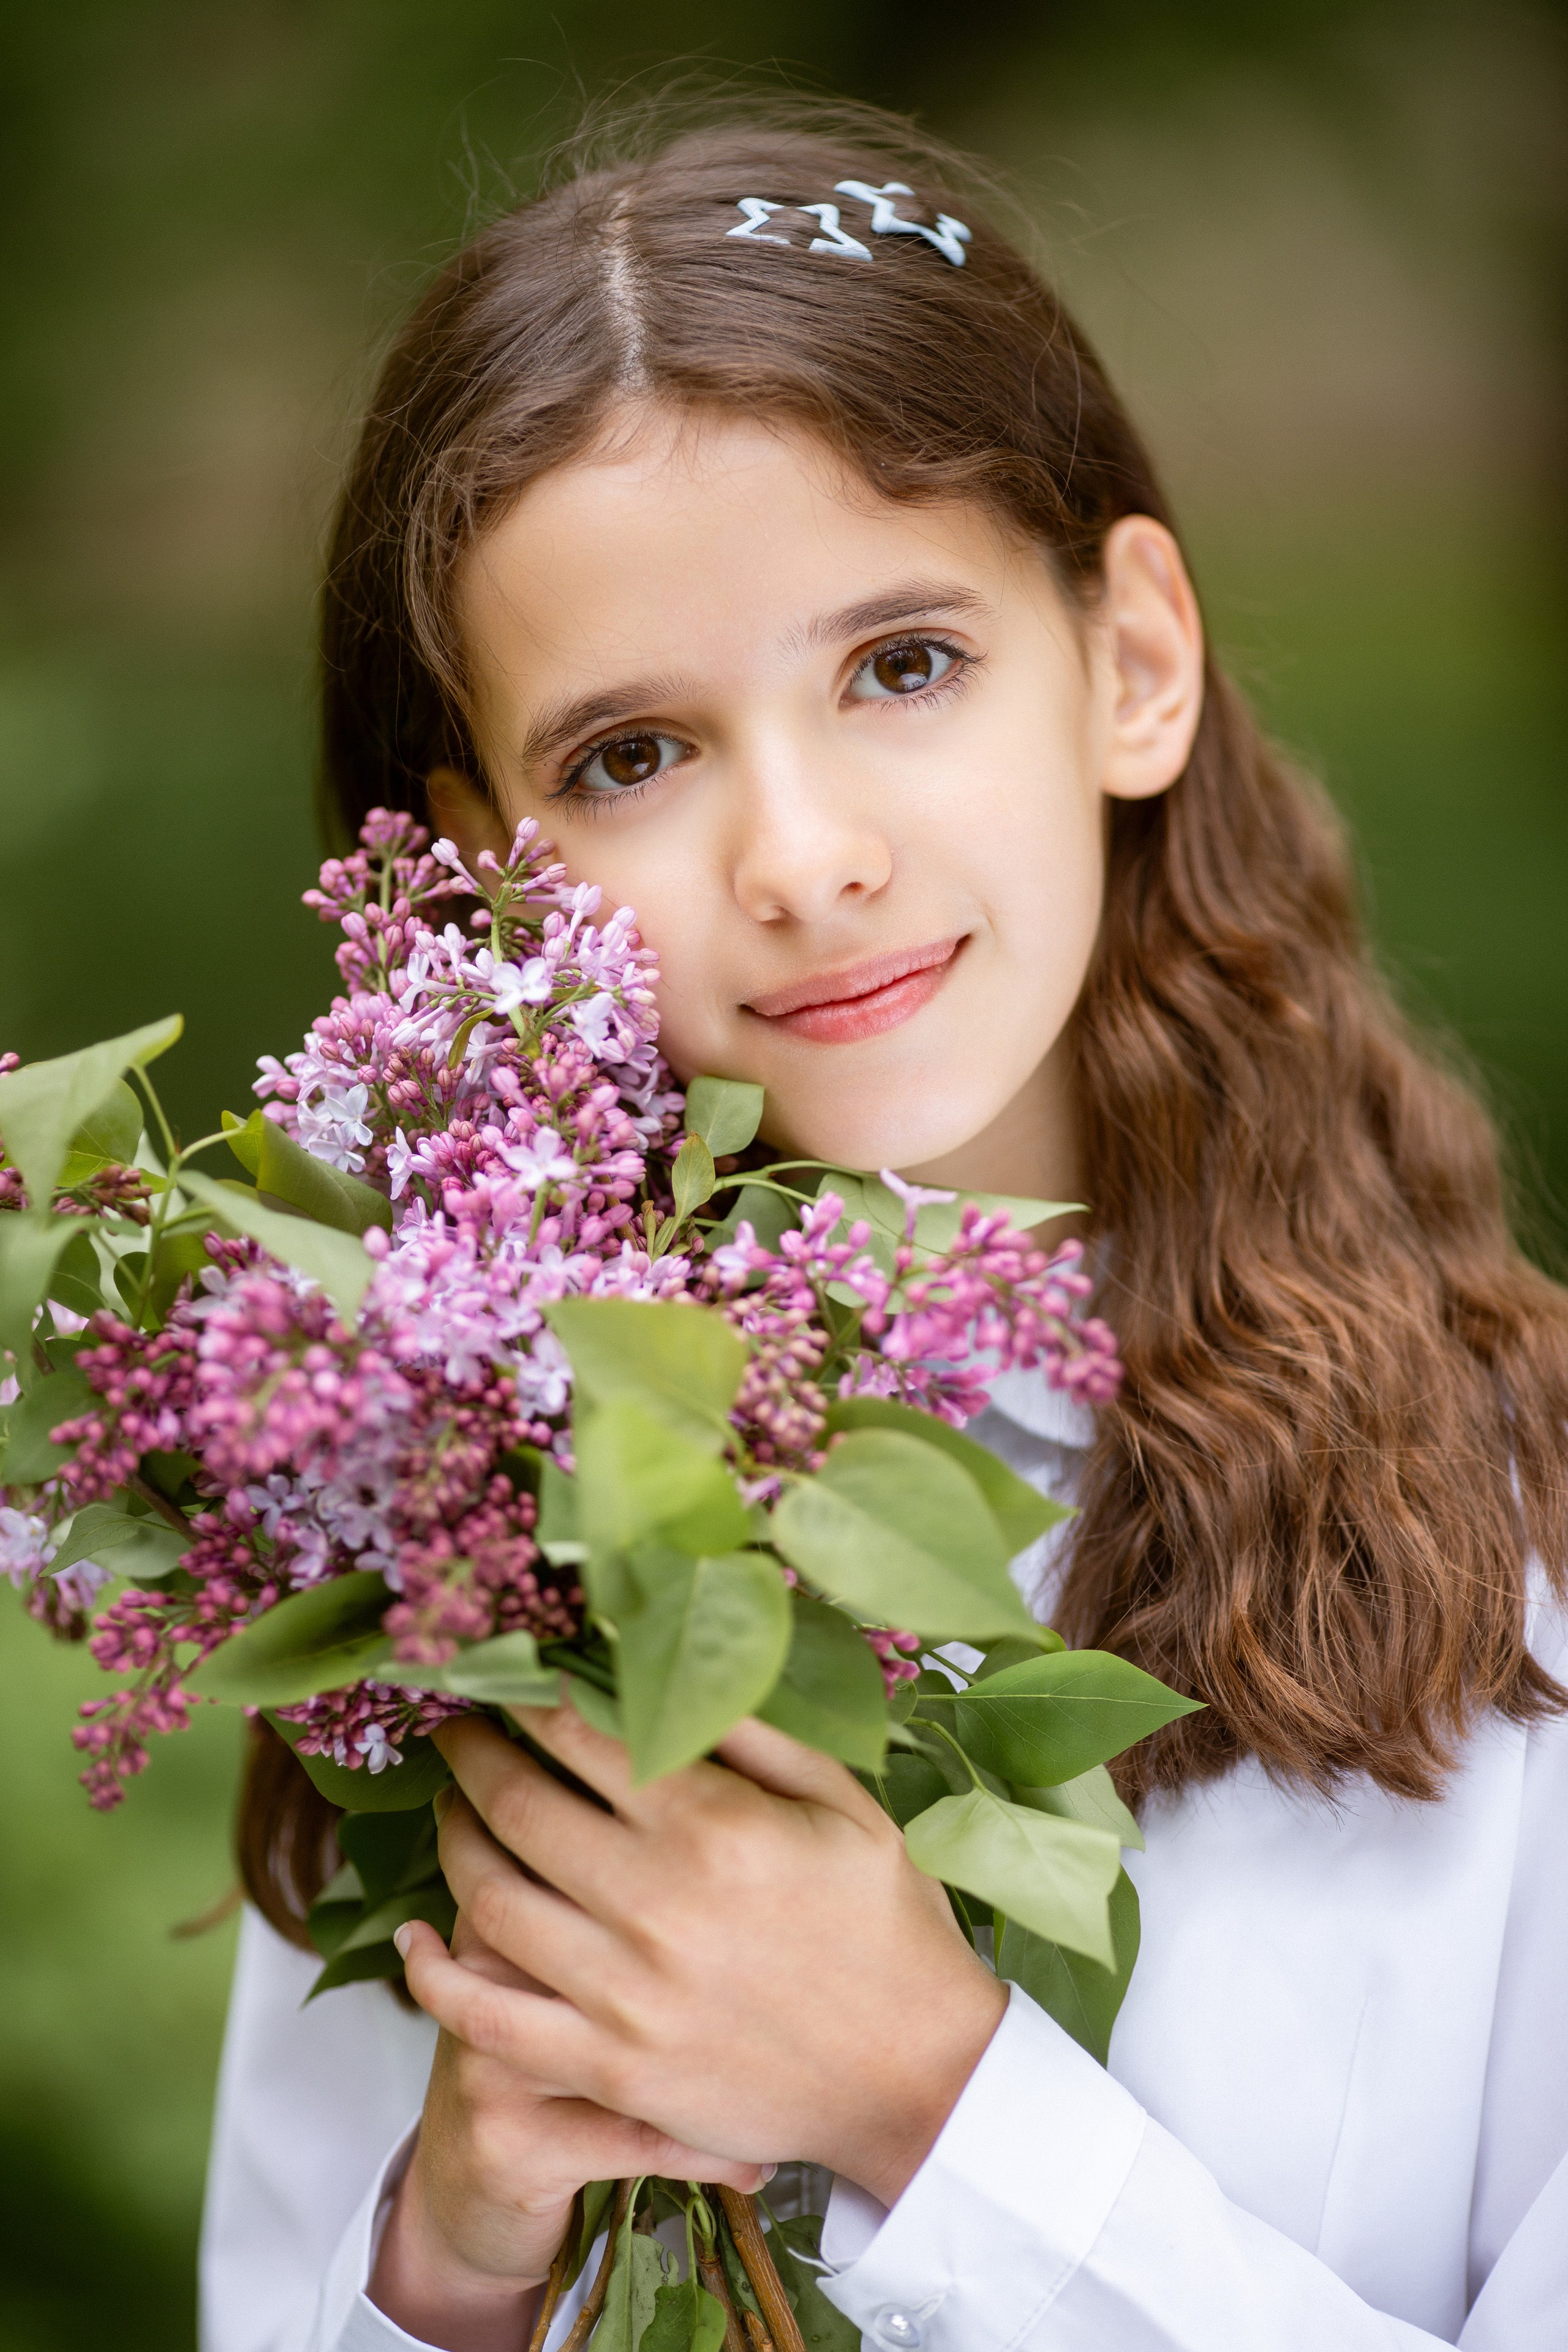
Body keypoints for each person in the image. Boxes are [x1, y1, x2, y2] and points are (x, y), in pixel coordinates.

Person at [199, 104, 1568, 2352]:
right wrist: (445, 2268)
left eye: (903, 666)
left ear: (1130, 659)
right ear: (483, 863)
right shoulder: (438, 1560)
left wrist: (934, 2113)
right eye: (634, 753)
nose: (805, 853)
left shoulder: (1525, 1552)